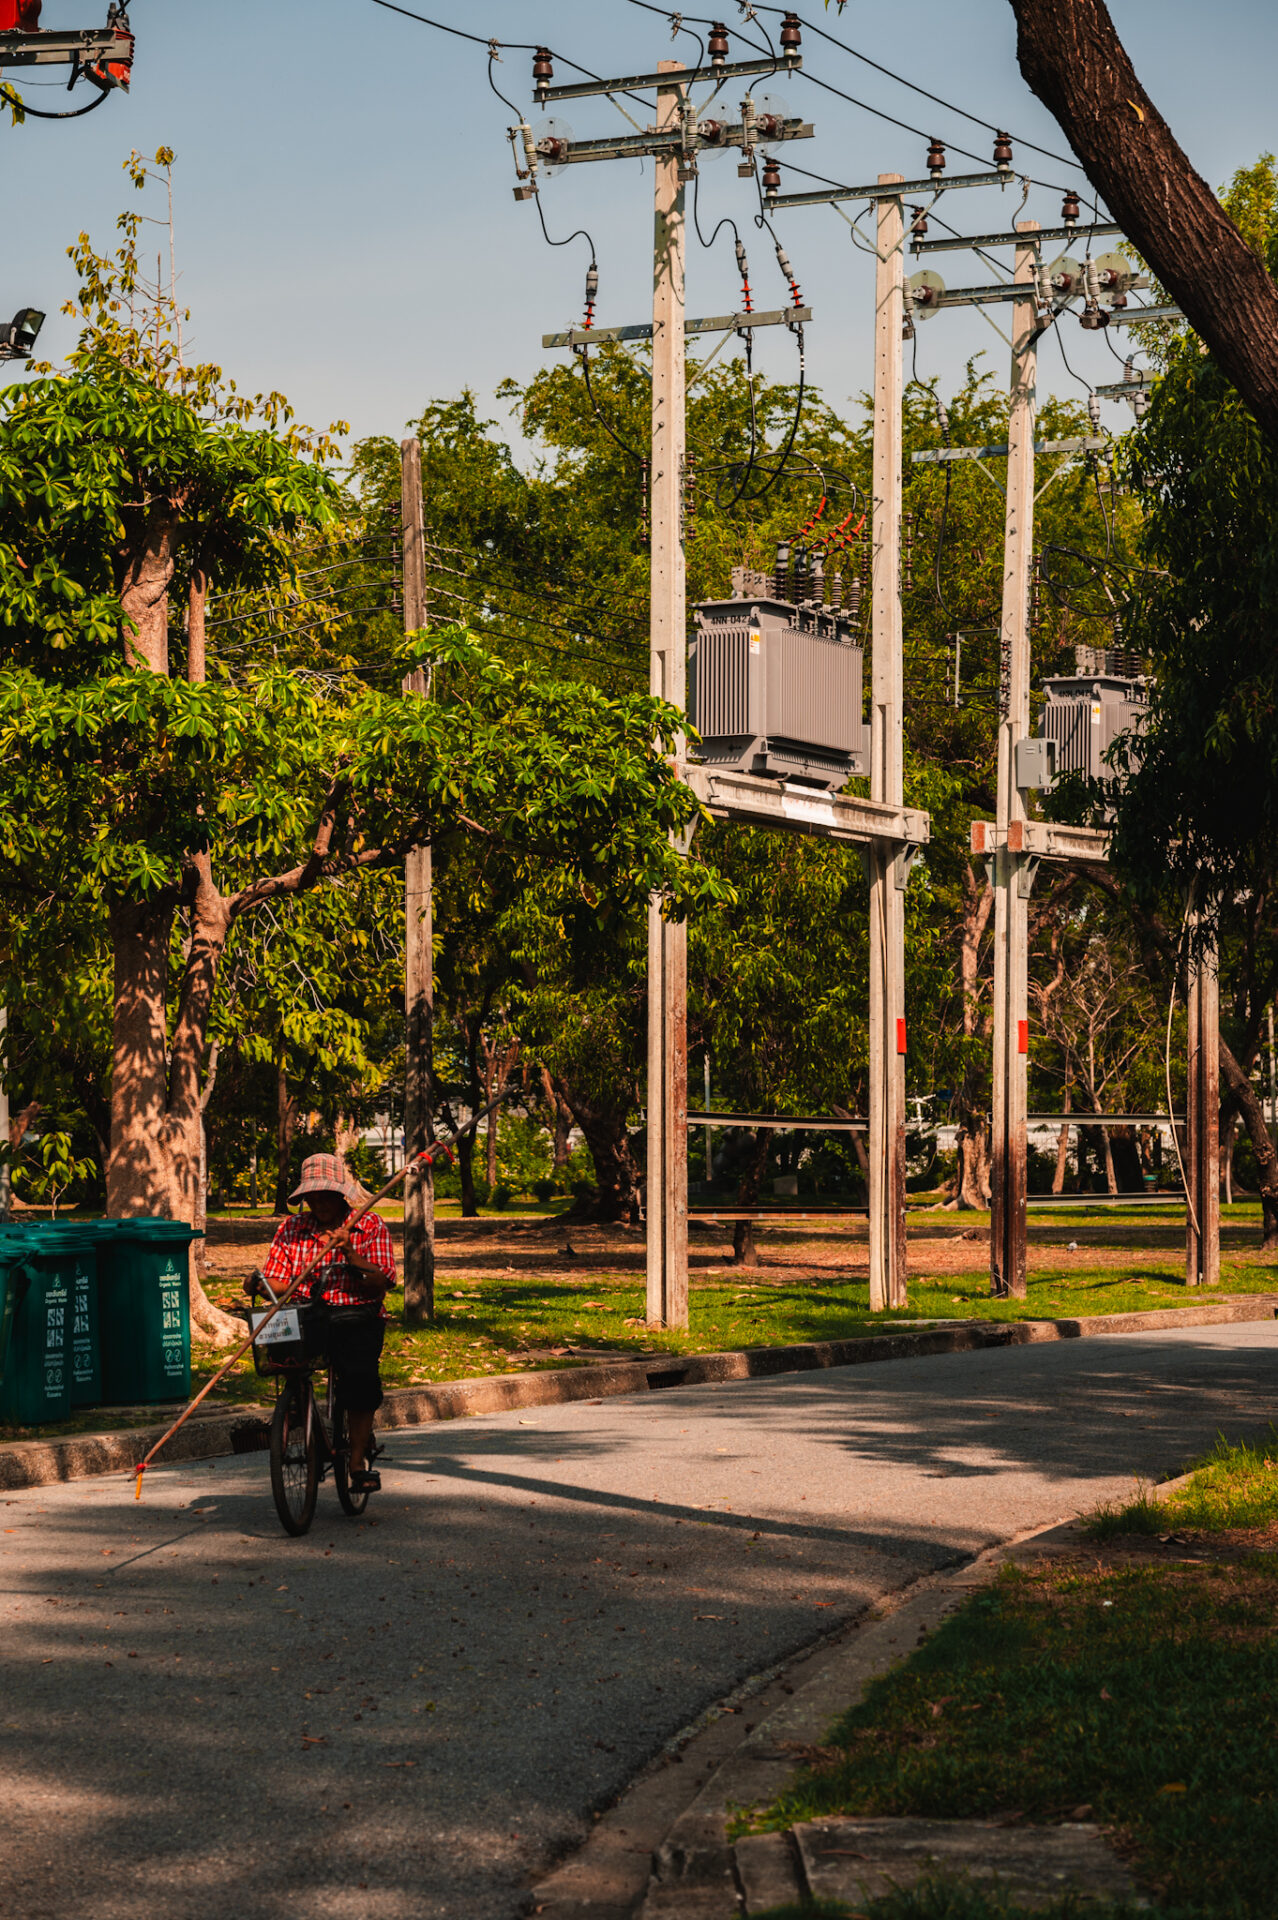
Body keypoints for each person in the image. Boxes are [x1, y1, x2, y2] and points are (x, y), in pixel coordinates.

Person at [253, 1153, 396, 1491]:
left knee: (359, 1379)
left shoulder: (369, 1224)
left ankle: (358, 1460)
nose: (318, 1203)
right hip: (307, 1316)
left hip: (355, 1314)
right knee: (283, 1361)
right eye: (311, 1197)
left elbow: (381, 1283)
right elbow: (276, 1280)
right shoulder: (291, 1228)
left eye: (326, 1195)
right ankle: (296, 1413)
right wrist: (261, 1284)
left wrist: (349, 1253)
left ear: (340, 1195)